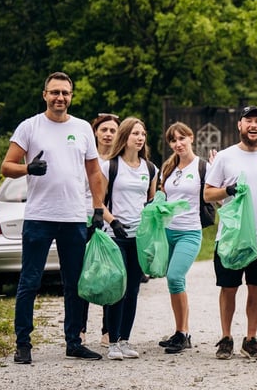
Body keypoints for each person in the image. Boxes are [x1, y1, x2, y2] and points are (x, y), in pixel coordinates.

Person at [1, 71, 106, 363]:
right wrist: (27, 169)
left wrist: (97, 209)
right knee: (30, 281)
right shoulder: (30, 127)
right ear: (45, 95)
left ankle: (74, 341)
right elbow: (7, 166)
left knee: (74, 283)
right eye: (55, 92)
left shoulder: (83, 128)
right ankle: (23, 344)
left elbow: (94, 172)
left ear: (71, 96)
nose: (60, 97)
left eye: (65, 93)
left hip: (73, 217)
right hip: (39, 216)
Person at [204, 105, 257, 360]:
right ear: (240, 125)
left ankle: (250, 339)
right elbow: (207, 193)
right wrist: (229, 190)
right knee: (228, 287)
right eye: (249, 120)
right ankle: (226, 338)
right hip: (231, 236)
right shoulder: (226, 157)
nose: (254, 125)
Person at [99, 117, 158, 360]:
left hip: (139, 237)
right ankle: (112, 342)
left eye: (143, 134)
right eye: (135, 133)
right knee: (119, 288)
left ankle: (125, 340)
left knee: (133, 289)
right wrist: (113, 220)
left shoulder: (150, 168)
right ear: (125, 136)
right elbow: (98, 201)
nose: (140, 137)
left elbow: (151, 201)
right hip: (115, 233)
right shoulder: (110, 166)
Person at [157, 122, 207, 354]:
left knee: (175, 277)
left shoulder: (202, 167)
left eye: (181, 138)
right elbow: (161, 196)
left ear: (191, 138)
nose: (178, 143)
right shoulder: (168, 168)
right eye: (173, 140)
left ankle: (183, 333)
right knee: (176, 282)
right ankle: (181, 332)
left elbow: (216, 194)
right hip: (168, 232)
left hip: (190, 231)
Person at [80, 113, 120, 348]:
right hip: (84, 221)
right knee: (84, 274)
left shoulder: (119, 162)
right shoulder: (85, 159)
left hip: (110, 223)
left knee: (109, 276)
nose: (108, 134)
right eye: (104, 129)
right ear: (95, 132)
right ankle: (80, 329)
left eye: (113, 130)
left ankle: (107, 330)